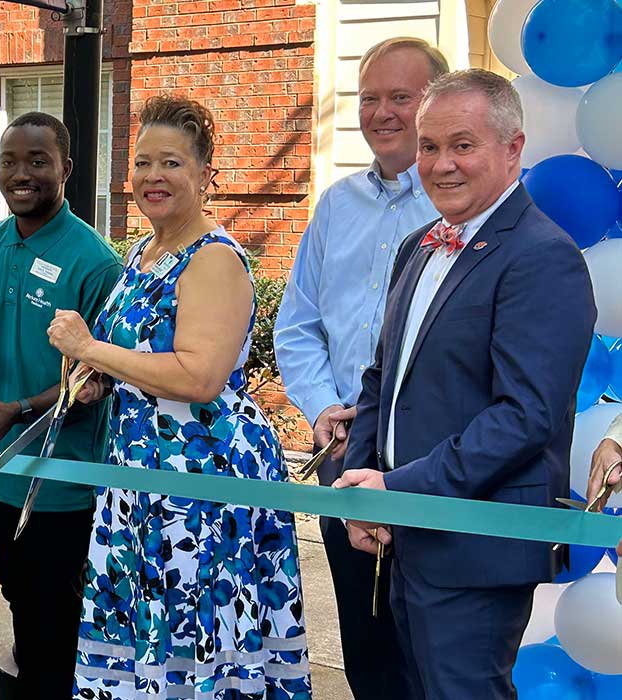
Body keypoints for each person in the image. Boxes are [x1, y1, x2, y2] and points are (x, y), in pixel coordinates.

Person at [336, 69, 596, 699]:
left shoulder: (542, 255)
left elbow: (526, 416)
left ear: (513, 149)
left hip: (475, 549)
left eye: (463, 145)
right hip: (402, 539)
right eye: (429, 146)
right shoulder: (418, 248)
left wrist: (397, 487)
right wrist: (365, 484)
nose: (441, 164)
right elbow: (382, 380)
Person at [48, 95, 312, 698]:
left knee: (195, 634)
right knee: (148, 634)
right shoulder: (143, 253)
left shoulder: (214, 259)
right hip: (140, 473)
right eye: (141, 164)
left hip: (201, 481)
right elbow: (143, 363)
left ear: (204, 175)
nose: (151, 178)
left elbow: (199, 378)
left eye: (170, 163)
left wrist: (91, 350)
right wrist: (99, 381)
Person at [273, 36, 447, 699]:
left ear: (434, 103)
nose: (380, 113)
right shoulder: (337, 207)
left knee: (437, 664)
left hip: (432, 471)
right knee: (368, 660)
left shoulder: (460, 206)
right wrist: (321, 409)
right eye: (368, 98)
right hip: (346, 461)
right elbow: (297, 326)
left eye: (399, 97)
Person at [0, 111, 119, 698]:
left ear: (67, 168)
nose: (20, 174)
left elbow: (96, 377)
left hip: (64, 478)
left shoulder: (94, 261)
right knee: (21, 601)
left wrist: (16, 408)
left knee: (56, 621)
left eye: (37, 161)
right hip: (0, 473)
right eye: (10, 161)